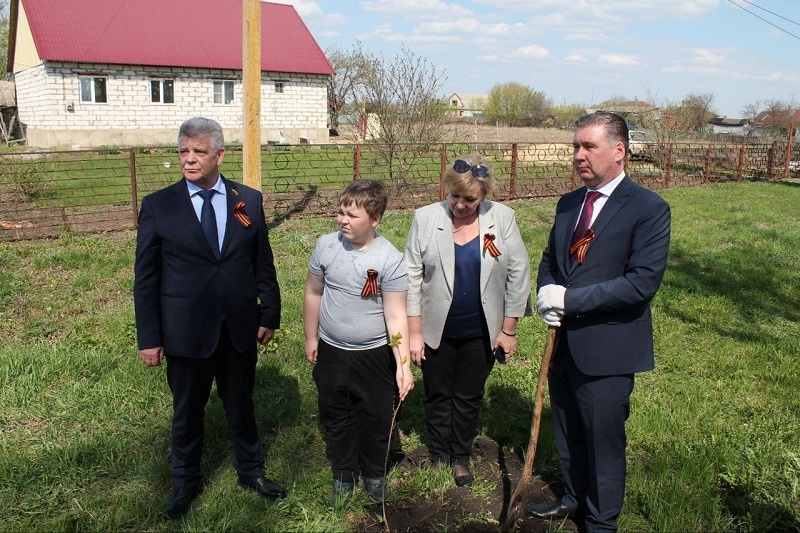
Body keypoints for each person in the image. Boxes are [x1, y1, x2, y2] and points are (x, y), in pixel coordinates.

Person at [134, 117, 287, 519]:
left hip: (238, 327)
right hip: (185, 331)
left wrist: (269, 311)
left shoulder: (247, 200)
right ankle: (185, 482)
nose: (189, 159)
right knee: (187, 411)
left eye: (198, 152)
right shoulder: (158, 205)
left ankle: (250, 471)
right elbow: (146, 279)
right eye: (183, 151)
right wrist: (149, 337)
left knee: (241, 404)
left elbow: (262, 263)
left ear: (220, 154)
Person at [528, 112, 671, 531]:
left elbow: (640, 283)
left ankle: (601, 522)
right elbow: (551, 259)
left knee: (603, 441)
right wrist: (545, 291)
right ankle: (573, 499)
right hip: (564, 345)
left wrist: (570, 300)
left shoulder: (648, 208)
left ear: (619, 151)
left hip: (608, 349)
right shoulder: (570, 202)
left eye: (588, 146)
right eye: (575, 146)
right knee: (569, 430)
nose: (578, 155)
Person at [404, 154, 531, 487]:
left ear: (484, 196)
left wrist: (509, 330)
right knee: (437, 394)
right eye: (454, 196)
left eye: (470, 199)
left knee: (468, 396)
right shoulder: (425, 218)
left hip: (481, 330)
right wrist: (414, 333)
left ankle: (460, 456)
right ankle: (438, 455)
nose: (460, 205)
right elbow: (412, 275)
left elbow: (519, 272)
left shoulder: (502, 219)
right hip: (436, 328)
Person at [303, 179, 414, 505]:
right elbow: (313, 292)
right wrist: (312, 336)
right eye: (340, 213)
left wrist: (403, 365)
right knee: (337, 416)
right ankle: (343, 474)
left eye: (352, 216)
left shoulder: (389, 260)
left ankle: (374, 474)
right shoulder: (326, 246)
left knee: (377, 418)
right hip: (333, 352)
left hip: (374, 356)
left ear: (375, 219)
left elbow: (396, 316)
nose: (343, 221)